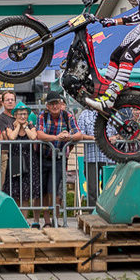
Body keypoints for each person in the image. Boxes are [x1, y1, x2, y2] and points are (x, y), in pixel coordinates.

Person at [36, 91, 88, 227]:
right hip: (42, 157)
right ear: (47, 106)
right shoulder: (42, 115)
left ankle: (56, 219)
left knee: (55, 191)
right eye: (52, 104)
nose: (55, 106)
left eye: (57, 103)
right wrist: (57, 137)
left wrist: (68, 137)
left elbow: (78, 135)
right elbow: (39, 134)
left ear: (61, 104)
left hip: (59, 158)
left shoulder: (68, 115)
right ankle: (47, 221)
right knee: (43, 191)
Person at [1, 102, 41, 225]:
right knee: (15, 192)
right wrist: (18, 126)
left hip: (29, 162)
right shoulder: (10, 126)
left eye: (24, 114)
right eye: (20, 114)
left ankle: (24, 220)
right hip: (15, 161)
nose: (22, 116)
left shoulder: (31, 125)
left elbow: (33, 136)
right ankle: (16, 219)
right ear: (15, 115)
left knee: (26, 193)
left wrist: (25, 126)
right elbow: (12, 137)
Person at [76, 108, 112, 208]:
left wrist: (116, 137)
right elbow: (79, 134)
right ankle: (92, 212)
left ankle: (109, 212)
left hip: (109, 157)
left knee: (110, 188)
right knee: (92, 189)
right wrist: (94, 138)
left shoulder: (112, 112)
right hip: (91, 157)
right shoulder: (85, 114)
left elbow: (120, 133)